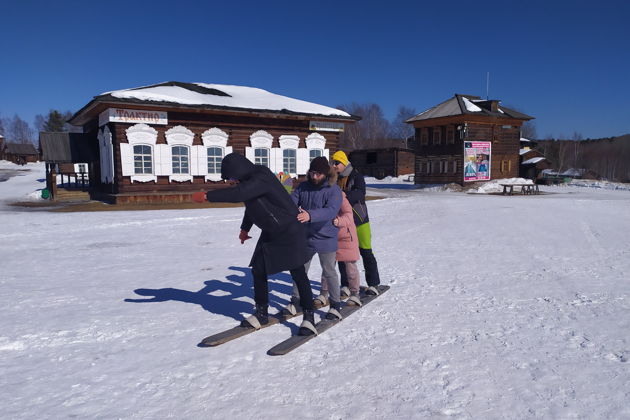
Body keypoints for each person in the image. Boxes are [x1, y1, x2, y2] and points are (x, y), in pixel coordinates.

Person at [192, 152, 317, 336]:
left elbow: (240, 194)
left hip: (290, 230)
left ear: (239, 170)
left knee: (298, 272)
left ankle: (309, 317)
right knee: (258, 270)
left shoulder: (262, 176)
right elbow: (251, 207)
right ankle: (261, 313)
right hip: (271, 231)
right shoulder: (247, 183)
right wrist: (245, 229)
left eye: (232, 177)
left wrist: (207, 196)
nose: (232, 181)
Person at [288, 156, 343, 320]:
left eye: (318, 174)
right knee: (300, 270)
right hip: (306, 236)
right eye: (312, 173)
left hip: (326, 237)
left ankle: (335, 304)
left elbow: (331, 211)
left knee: (329, 272)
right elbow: (292, 201)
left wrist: (310, 215)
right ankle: (297, 300)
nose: (314, 177)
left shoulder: (333, 189)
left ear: (325, 174)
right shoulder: (303, 187)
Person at [331, 150, 381, 296]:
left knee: (366, 251)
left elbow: (360, 193)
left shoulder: (356, 176)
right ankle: (345, 285)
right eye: (333, 163)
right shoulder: (335, 179)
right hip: (344, 222)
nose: (334, 166)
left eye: (336, 163)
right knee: (343, 254)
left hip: (360, 220)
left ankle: (373, 283)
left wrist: (343, 195)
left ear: (344, 162)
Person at [323, 191, 362, 306]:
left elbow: (349, 215)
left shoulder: (339, 196)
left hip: (346, 236)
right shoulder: (320, 196)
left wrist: (339, 221)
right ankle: (324, 292)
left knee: (350, 267)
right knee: (327, 265)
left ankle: (355, 293)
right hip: (330, 235)